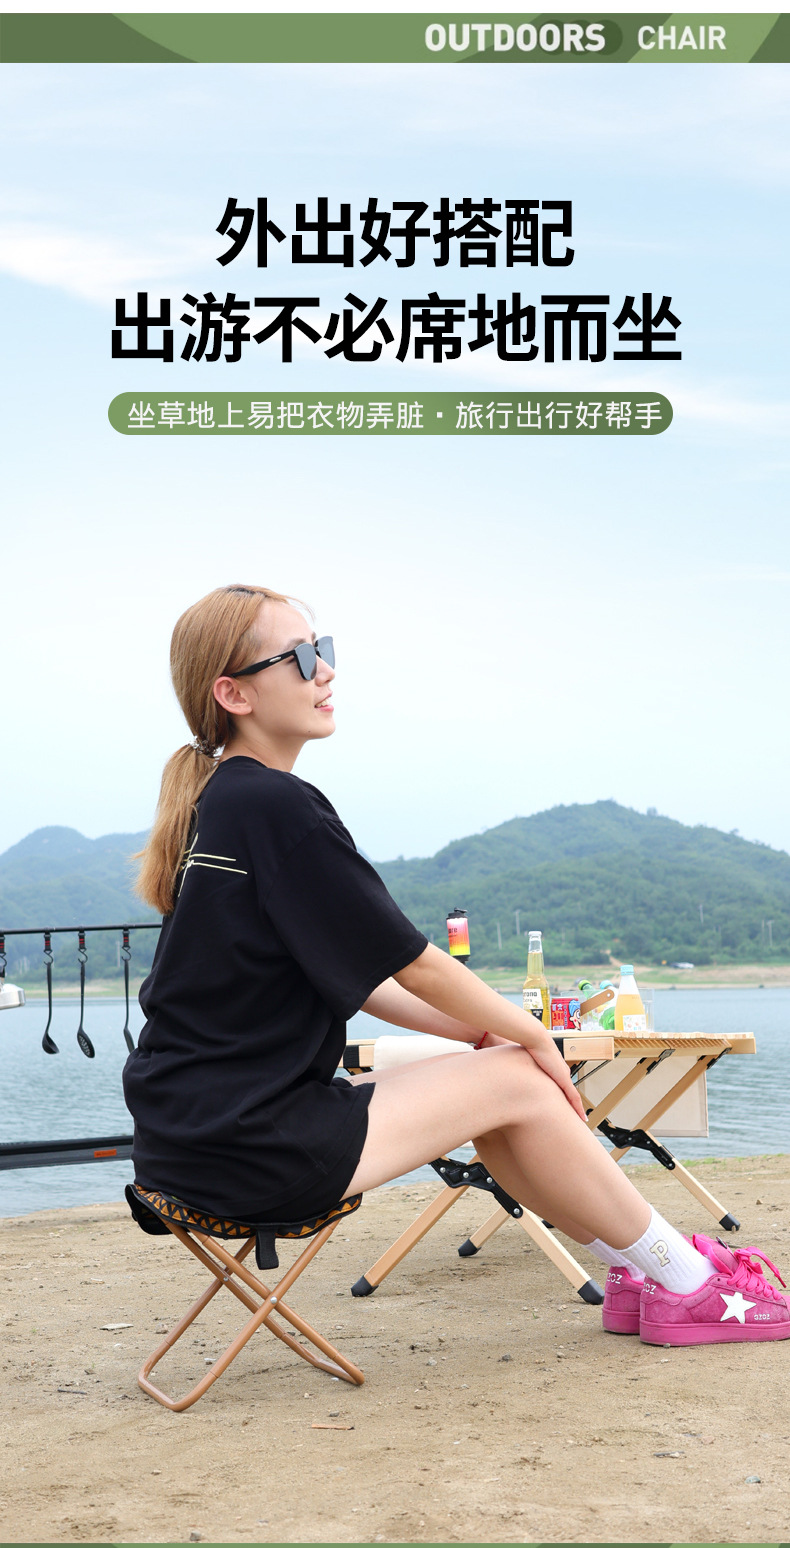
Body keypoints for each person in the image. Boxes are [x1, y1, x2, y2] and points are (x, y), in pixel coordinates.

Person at [124, 584, 789, 1349]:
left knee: (500, 1082)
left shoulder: (223, 802)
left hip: (193, 1136)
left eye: (324, 650)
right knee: (519, 1078)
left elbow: (365, 978)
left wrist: (481, 1034)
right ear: (234, 693)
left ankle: (643, 1272)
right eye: (301, 657)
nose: (326, 671)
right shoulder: (274, 806)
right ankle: (690, 1285)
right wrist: (530, 1037)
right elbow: (415, 964)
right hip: (248, 1145)